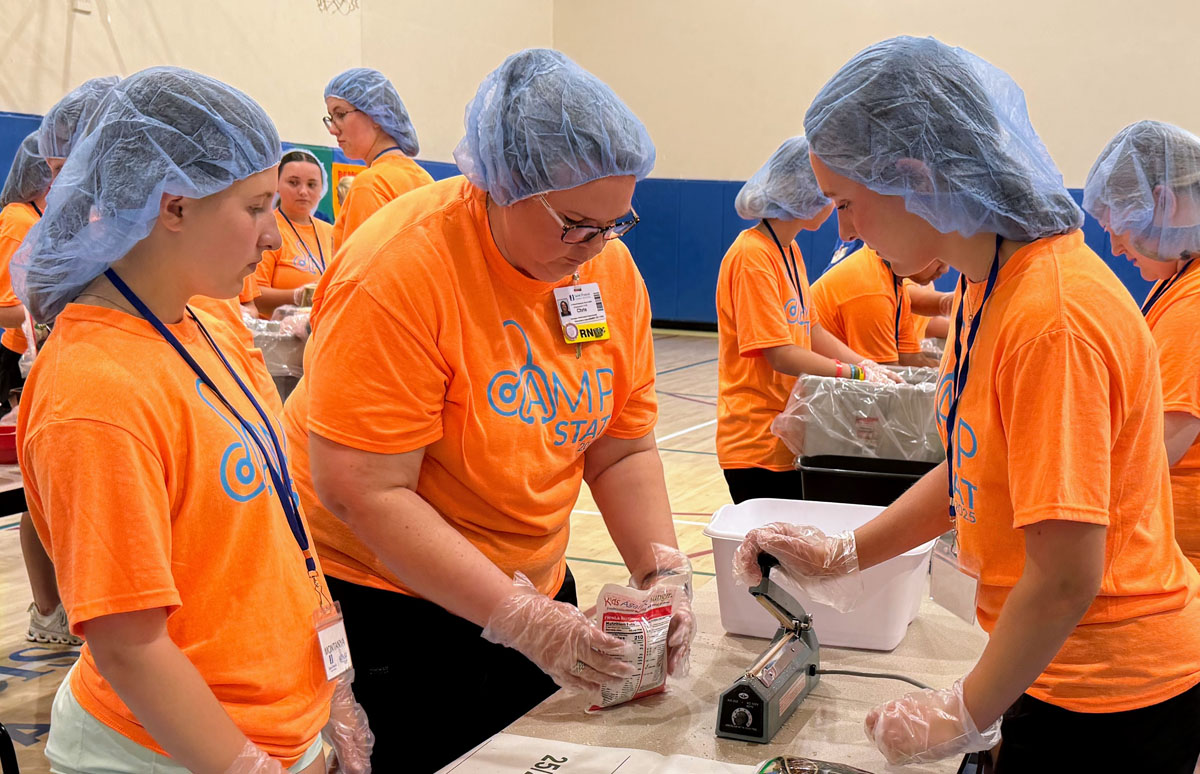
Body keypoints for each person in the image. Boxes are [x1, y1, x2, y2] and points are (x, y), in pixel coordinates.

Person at [735, 36, 1200, 771]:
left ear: (915, 178)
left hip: (1112, 685)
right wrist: (849, 551)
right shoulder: (988, 287)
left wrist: (961, 711)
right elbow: (971, 468)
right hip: (1047, 660)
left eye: (849, 203)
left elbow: (1066, 579)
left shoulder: (1054, 318)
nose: (846, 229)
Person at [282, 48, 696, 772]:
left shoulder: (603, 270)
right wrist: (522, 621)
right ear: (502, 188)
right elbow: (364, 491)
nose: (595, 247)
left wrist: (660, 573)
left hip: (529, 587)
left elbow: (621, 445)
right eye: (575, 224)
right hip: (395, 601)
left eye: (615, 224)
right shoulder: (402, 269)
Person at [13, 66, 373, 774]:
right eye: (258, 207)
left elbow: (268, 528)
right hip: (168, 750)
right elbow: (130, 644)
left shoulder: (202, 321)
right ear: (172, 208)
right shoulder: (97, 393)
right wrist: (244, 764)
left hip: (271, 720)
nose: (275, 237)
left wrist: (329, 689)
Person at [716, 136, 899, 504]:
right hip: (756, 445)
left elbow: (810, 329)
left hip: (788, 435)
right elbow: (780, 353)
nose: (833, 206)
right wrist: (854, 374)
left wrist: (864, 362)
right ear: (804, 194)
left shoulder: (789, 249)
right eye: (829, 196)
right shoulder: (752, 256)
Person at [1084, 119, 1200, 571]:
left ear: (1163, 203)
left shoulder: (1192, 304)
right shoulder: (1175, 277)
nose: (1113, 246)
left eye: (1117, 225)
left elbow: (1156, 451)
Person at [0, 131, 78, 647]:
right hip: (24, 359)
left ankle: (60, 603)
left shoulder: (51, 219)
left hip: (58, 351)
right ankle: (47, 610)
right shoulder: (18, 221)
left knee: (51, 488)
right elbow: (10, 305)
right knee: (37, 490)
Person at [323, 67, 433, 252]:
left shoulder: (371, 184)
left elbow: (361, 273)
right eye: (330, 118)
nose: (333, 129)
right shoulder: (423, 179)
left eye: (340, 114)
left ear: (376, 114)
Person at [811, 242, 930, 365]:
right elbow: (884, 374)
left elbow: (910, 358)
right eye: (938, 260)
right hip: (802, 381)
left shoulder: (892, 281)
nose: (944, 269)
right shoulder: (874, 291)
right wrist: (945, 304)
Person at [253, 149, 333, 318]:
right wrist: (299, 296)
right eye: (294, 183)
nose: (303, 191)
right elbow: (253, 295)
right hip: (277, 336)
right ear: (277, 185)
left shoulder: (331, 232)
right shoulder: (265, 229)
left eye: (311, 185)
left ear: (321, 190)